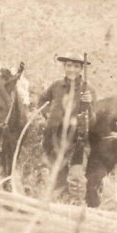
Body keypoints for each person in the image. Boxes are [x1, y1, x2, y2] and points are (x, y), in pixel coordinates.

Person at [39, 52, 96, 193]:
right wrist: (49, 116)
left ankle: (76, 207)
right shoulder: (56, 86)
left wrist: (88, 104)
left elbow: (93, 120)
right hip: (55, 138)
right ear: (64, 66)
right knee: (58, 177)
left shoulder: (88, 90)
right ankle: (59, 206)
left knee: (76, 177)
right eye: (69, 65)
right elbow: (42, 101)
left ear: (81, 69)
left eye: (76, 66)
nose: (72, 70)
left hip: (78, 140)